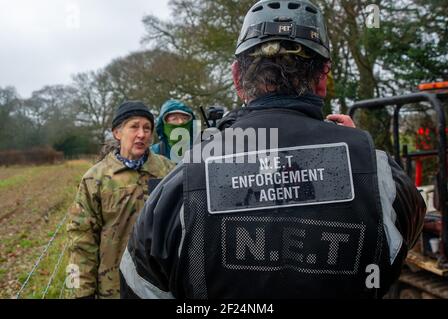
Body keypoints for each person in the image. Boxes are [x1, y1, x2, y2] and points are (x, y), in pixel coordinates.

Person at [120, 0, 425, 299]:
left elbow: (141, 285)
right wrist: (359, 152)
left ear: (238, 78)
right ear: (323, 80)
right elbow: (400, 243)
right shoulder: (380, 174)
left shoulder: (184, 182)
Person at [66, 101, 175, 299]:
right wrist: (80, 292)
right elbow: (80, 241)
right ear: (117, 132)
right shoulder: (94, 178)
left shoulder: (169, 172)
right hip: (113, 289)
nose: (141, 134)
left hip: (159, 289)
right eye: (134, 126)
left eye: (147, 128)